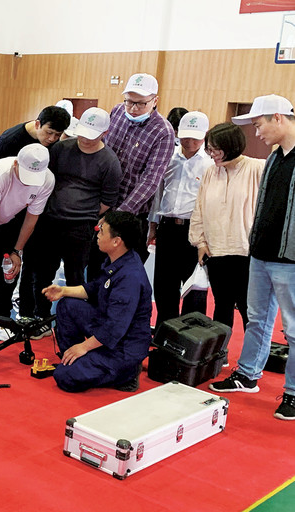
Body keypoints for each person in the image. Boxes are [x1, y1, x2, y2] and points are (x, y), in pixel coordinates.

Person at [209, 94, 295, 421]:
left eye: (259, 125)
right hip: (259, 254)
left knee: (293, 330)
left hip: (290, 259)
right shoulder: (274, 158)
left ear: (278, 118)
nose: (256, 133)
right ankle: (247, 375)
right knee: (257, 319)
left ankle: (293, 393)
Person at [18, 108, 122, 335]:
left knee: (75, 276)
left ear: (105, 133)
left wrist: (82, 211)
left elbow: (108, 200)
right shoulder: (61, 149)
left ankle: (73, 321)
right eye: (82, 133)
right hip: (49, 221)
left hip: (80, 227)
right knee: (43, 273)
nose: (84, 139)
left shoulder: (109, 162)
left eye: (91, 135)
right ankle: (42, 317)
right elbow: (45, 179)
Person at [43, 211, 152, 393]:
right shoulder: (118, 259)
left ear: (116, 241)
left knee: (65, 377)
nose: (97, 233)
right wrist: (63, 291)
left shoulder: (129, 278)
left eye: (102, 230)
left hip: (123, 348)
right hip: (109, 329)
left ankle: (127, 374)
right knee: (68, 304)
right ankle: (76, 358)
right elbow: (95, 288)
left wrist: (84, 347)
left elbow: (114, 328)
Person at [0, 144, 55, 347]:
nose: (29, 181)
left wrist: (17, 251)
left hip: (9, 221)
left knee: (10, 269)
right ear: (16, 164)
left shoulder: (47, 180)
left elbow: (31, 218)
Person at [88, 73, 174, 279]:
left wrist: (118, 215)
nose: (133, 109)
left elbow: (151, 180)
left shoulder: (163, 132)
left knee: (120, 277)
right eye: (129, 101)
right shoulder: (117, 112)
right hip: (102, 205)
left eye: (141, 104)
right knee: (94, 270)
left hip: (131, 215)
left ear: (155, 100)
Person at [189, 122, 264, 332]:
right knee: (222, 306)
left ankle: (254, 353)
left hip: (246, 252)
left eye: (216, 149)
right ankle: (220, 350)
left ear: (231, 146)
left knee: (249, 310)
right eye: (209, 149)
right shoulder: (210, 172)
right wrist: (200, 242)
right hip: (216, 251)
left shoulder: (257, 168)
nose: (212, 154)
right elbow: (199, 209)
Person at [148, 111, 213, 329]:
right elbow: (158, 194)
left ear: (204, 136)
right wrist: (152, 226)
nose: (190, 142)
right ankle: (164, 333)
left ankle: (190, 337)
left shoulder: (210, 165)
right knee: (164, 286)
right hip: (167, 228)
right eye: (185, 137)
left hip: (194, 232)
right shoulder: (168, 158)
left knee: (194, 288)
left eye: (195, 138)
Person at [0, 105, 70, 164]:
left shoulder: (53, 141)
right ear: (37, 124)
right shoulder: (9, 139)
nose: (52, 139)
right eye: (49, 133)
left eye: (58, 135)